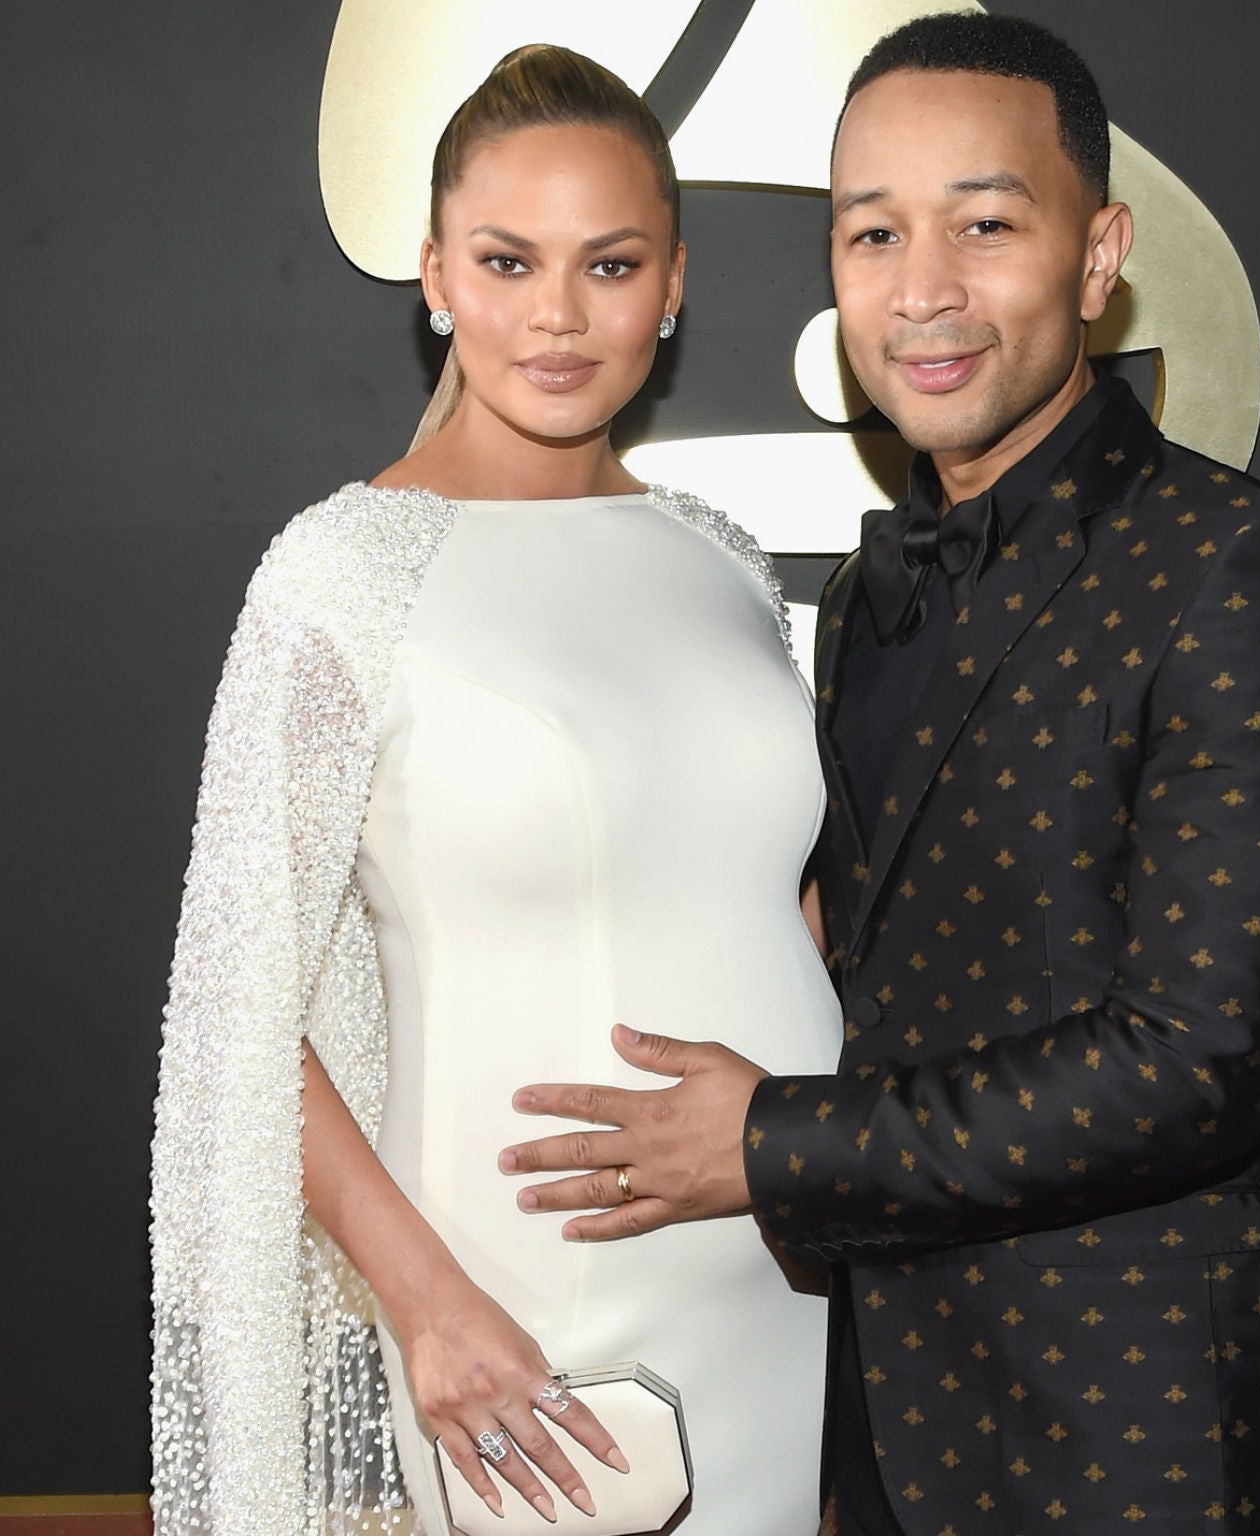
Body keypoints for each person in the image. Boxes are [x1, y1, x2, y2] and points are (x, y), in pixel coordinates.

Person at [500, 14, 1260, 1534]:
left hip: (1148, 1436)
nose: (923, 291)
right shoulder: (865, 598)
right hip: (881, 1417)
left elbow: (1198, 1063)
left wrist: (768, 1141)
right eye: (873, 233)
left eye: (985, 224)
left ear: (1099, 256)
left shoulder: (1246, 570)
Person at [147, 44, 839, 1536]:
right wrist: (429, 1306)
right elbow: (237, 1021)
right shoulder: (343, 575)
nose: (559, 313)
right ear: (434, 276)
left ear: (671, 285)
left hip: (782, 1267)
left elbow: (774, 895)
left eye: (610, 263)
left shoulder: (715, 554)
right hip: (524, 1303)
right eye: (508, 260)